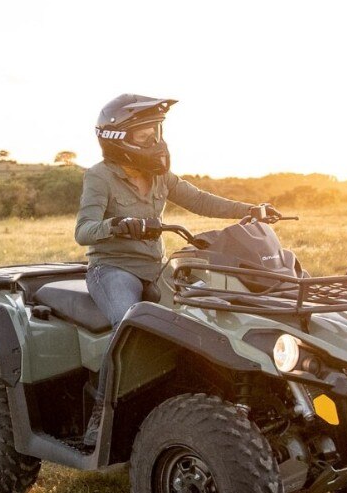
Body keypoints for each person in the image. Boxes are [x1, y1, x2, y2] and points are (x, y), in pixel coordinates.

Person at [74, 94, 280, 446]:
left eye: (155, 130)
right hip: (113, 269)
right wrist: (118, 225)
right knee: (130, 328)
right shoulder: (99, 177)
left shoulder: (160, 177)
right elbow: (83, 231)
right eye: (143, 134)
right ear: (116, 138)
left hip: (157, 268)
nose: (154, 140)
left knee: (200, 320)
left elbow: (200, 200)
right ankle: (100, 415)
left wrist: (251, 209)